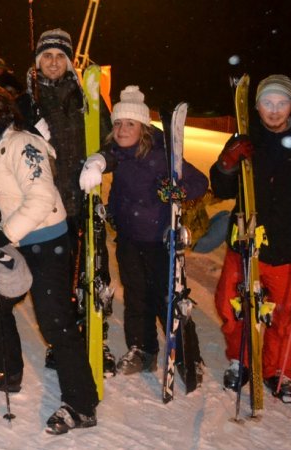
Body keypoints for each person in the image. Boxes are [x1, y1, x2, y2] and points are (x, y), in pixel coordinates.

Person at [0, 83, 98, 435]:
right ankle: (8, 371)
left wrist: (4, 233)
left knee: (56, 322)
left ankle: (83, 404)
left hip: (45, 242)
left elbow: (40, 197)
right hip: (15, 241)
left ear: (1, 114)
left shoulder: (22, 144)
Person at [210, 74, 291, 402]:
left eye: (281, 103)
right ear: (257, 106)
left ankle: (278, 369)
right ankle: (241, 359)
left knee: (282, 313)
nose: (274, 110)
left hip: (290, 244)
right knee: (232, 305)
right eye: (268, 103)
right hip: (246, 239)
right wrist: (227, 163)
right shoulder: (247, 136)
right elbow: (223, 188)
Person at [80, 86, 208, 376]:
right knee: (136, 296)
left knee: (168, 298)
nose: (123, 129)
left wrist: (179, 190)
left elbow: (199, 181)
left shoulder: (163, 155)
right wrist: (112, 212)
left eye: (130, 124)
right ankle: (143, 348)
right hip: (128, 239)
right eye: (118, 124)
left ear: (144, 128)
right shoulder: (117, 154)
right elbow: (121, 189)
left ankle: (189, 356)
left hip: (160, 241)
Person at [17, 28, 116, 375]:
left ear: (69, 61)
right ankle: (63, 340)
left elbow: (112, 140)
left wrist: (101, 160)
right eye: (47, 56)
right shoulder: (26, 100)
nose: (54, 62)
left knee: (93, 273)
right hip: (47, 208)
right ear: (38, 62)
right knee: (54, 281)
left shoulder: (85, 94)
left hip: (85, 202)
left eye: (60, 56)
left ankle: (96, 338)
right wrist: (28, 126)